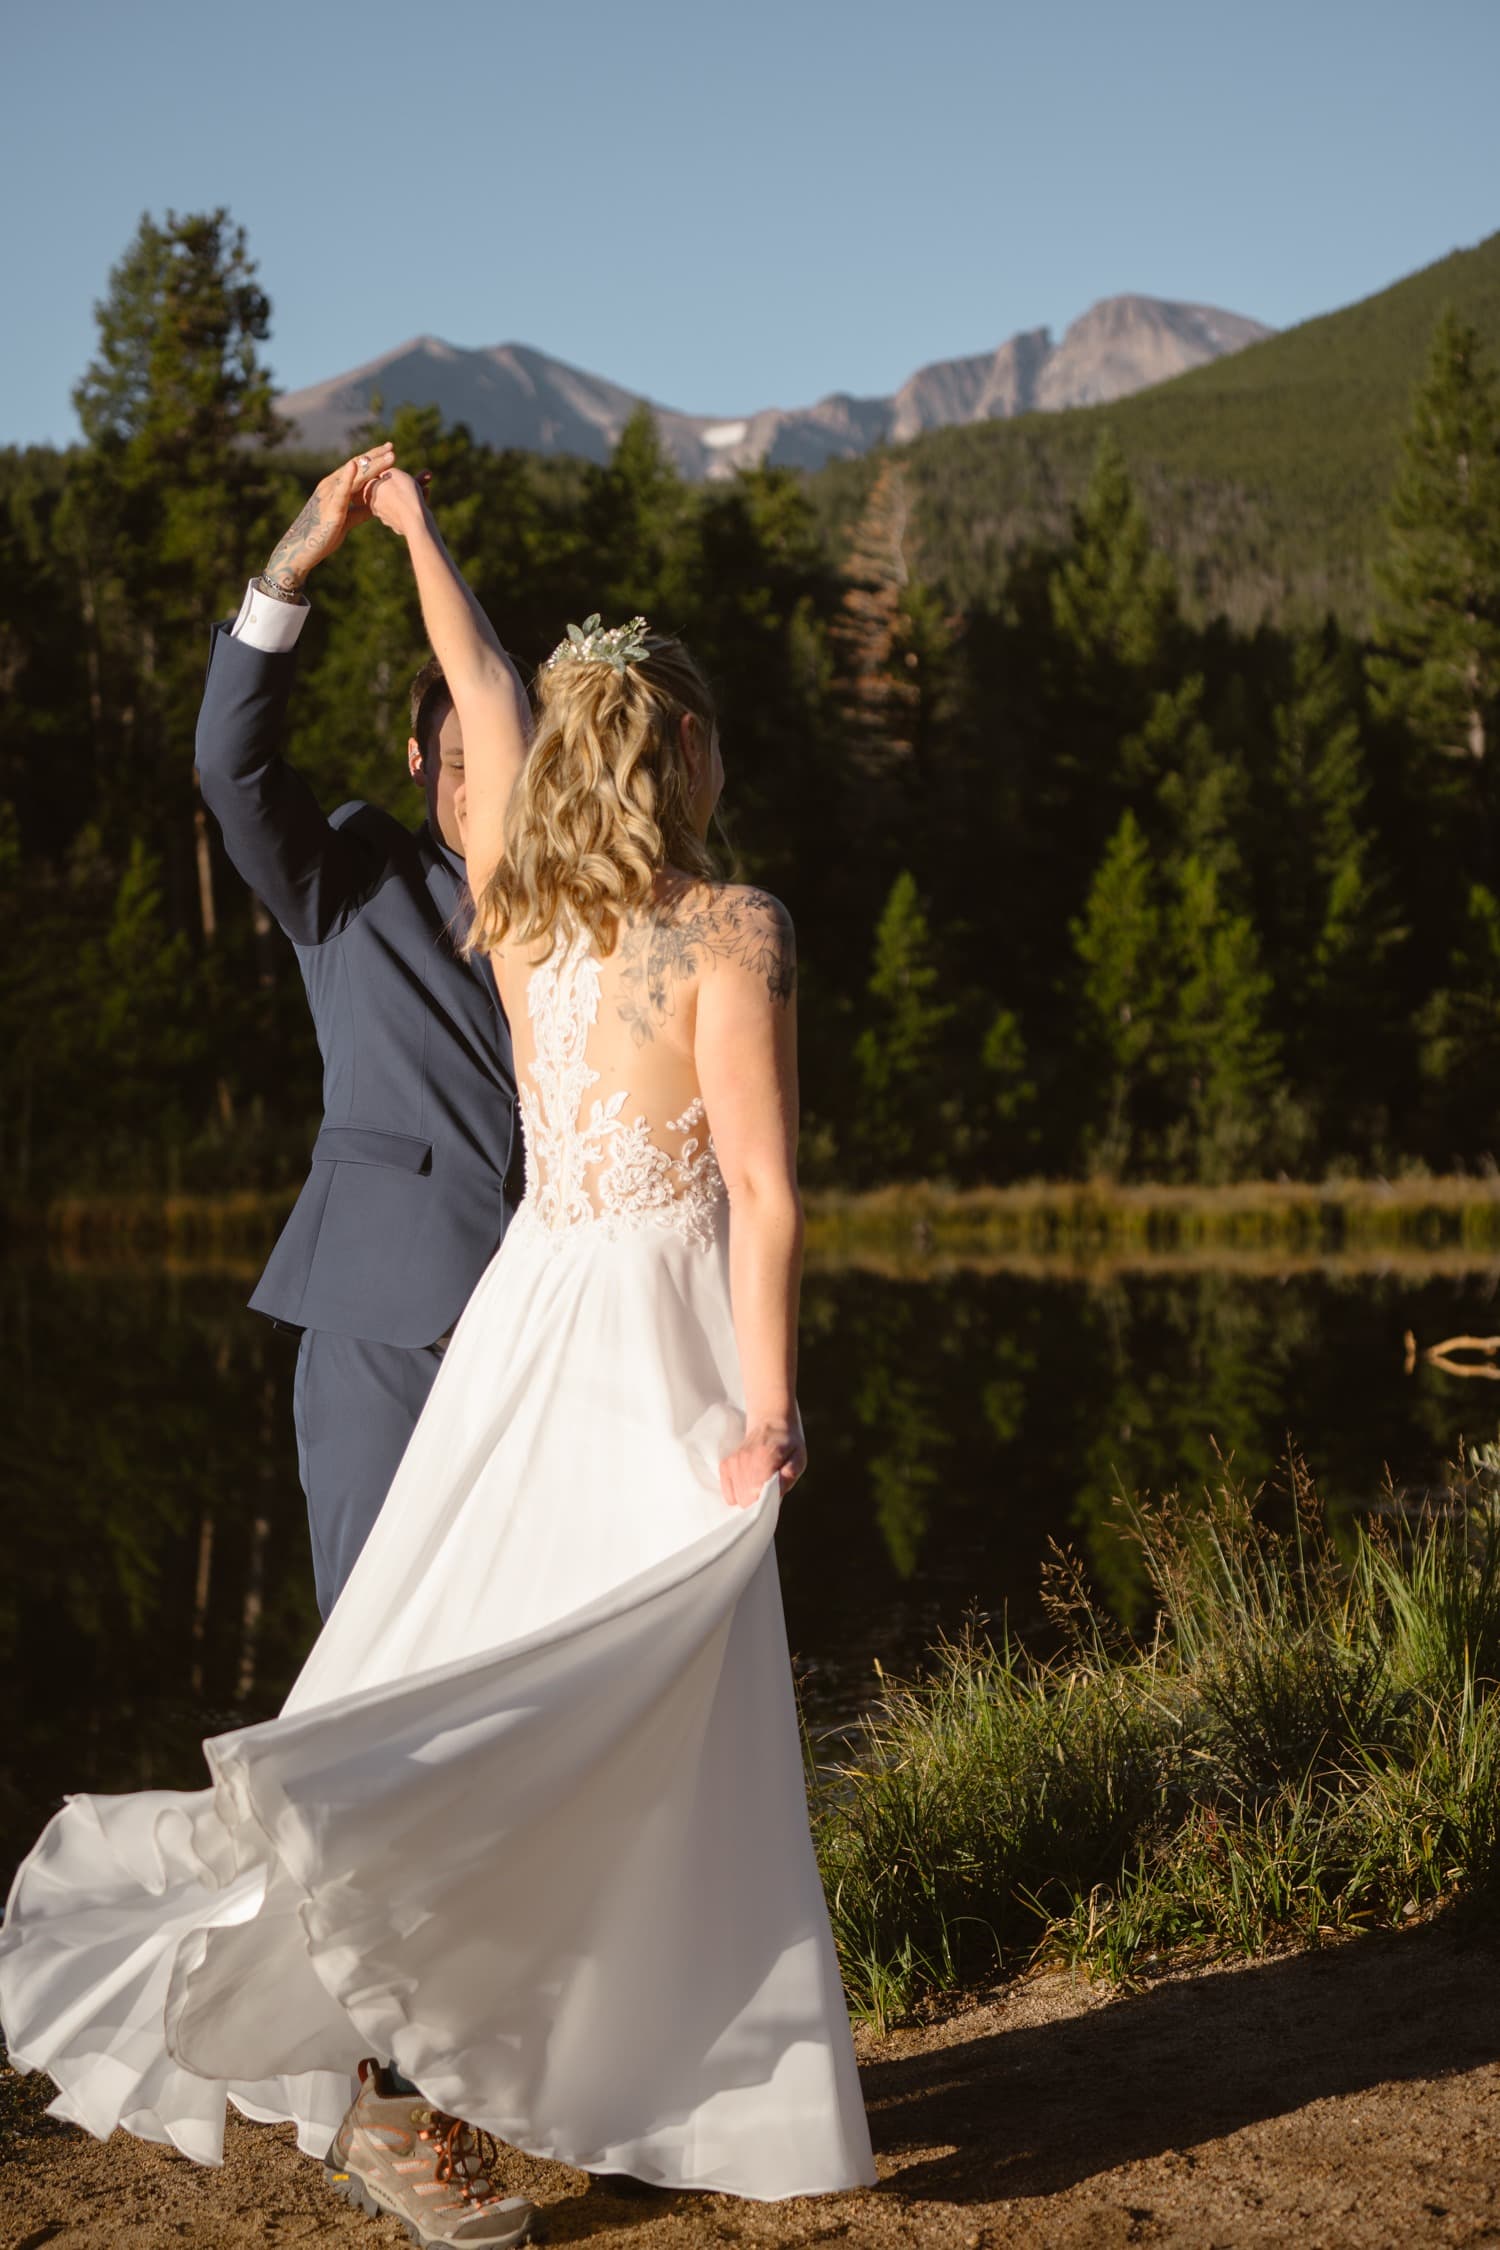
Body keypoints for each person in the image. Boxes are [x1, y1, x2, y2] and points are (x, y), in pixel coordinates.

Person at [0, 471, 876, 2247]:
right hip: (496, 1342)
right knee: (482, 1708)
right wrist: (316, 562)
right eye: (475, 754)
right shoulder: (450, 892)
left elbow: (481, 678)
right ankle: (406, 2094)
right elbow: (766, 1195)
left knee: (587, 1712)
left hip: (552, 1332)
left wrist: (419, 537)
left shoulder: (538, 902)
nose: (490, 765)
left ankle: (618, 2065)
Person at [194, 444, 523, 1615]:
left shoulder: (588, 913)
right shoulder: (355, 877)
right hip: (384, 1320)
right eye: (456, 763)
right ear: (417, 761)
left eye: (504, 762)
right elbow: (232, 774)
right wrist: (291, 568)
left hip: (547, 1328)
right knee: (373, 1644)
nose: (480, 789)